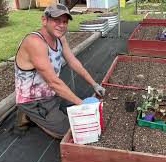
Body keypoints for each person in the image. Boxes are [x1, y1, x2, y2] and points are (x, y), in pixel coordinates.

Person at [13, 3, 105, 139]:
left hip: (52, 94)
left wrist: (94, 84)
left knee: (77, 114)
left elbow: (73, 62)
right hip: (34, 100)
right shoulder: (35, 42)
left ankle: (41, 114)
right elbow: (53, 81)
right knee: (69, 132)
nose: (61, 25)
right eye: (57, 20)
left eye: (65, 22)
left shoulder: (60, 38)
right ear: (44, 20)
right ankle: (28, 113)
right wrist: (82, 104)